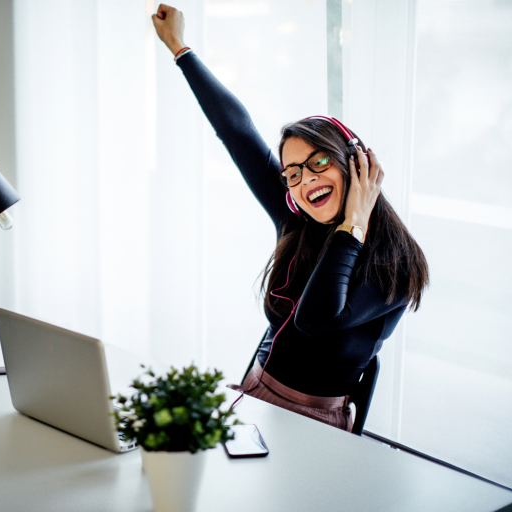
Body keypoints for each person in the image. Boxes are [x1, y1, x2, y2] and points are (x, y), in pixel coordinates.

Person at [152, 4, 429, 431]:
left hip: (315, 421)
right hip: (252, 394)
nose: (303, 181)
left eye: (318, 162)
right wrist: (179, 48)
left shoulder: (396, 261)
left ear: (353, 162)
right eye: (292, 174)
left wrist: (353, 224)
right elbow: (237, 131)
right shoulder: (298, 221)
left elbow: (315, 320)